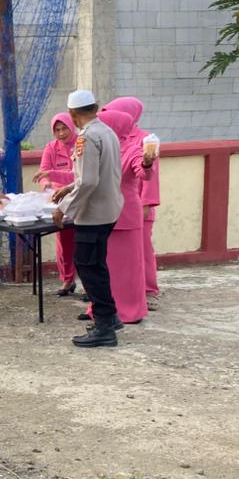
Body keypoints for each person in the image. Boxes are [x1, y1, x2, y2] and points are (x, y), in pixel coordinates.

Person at [51, 90, 123, 348]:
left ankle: (104, 326)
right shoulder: (107, 131)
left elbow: (89, 181)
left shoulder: (87, 137)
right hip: (109, 208)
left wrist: (63, 209)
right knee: (97, 265)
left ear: (72, 114)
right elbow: (94, 174)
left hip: (94, 214)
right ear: (96, 107)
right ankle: (110, 317)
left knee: (89, 267)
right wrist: (69, 187)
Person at [77, 109, 153, 325]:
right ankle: (100, 309)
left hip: (126, 216)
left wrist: (147, 163)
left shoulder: (133, 149)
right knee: (102, 267)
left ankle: (130, 311)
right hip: (103, 214)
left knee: (127, 269)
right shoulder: (106, 145)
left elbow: (143, 172)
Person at [106, 96, 162, 309]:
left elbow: (150, 174)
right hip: (116, 206)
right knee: (120, 257)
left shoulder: (145, 138)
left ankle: (148, 290)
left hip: (137, 204)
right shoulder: (113, 136)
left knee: (142, 251)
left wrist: (147, 203)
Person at [35, 113, 78, 297]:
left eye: (64, 128)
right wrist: (47, 185)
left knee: (85, 241)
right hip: (59, 200)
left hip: (81, 196)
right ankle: (67, 279)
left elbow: (79, 176)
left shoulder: (82, 144)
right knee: (64, 241)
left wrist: (52, 175)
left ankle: (89, 285)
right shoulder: (51, 148)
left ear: (72, 126)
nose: (61, 133)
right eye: (57, 130)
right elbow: (43, 174)